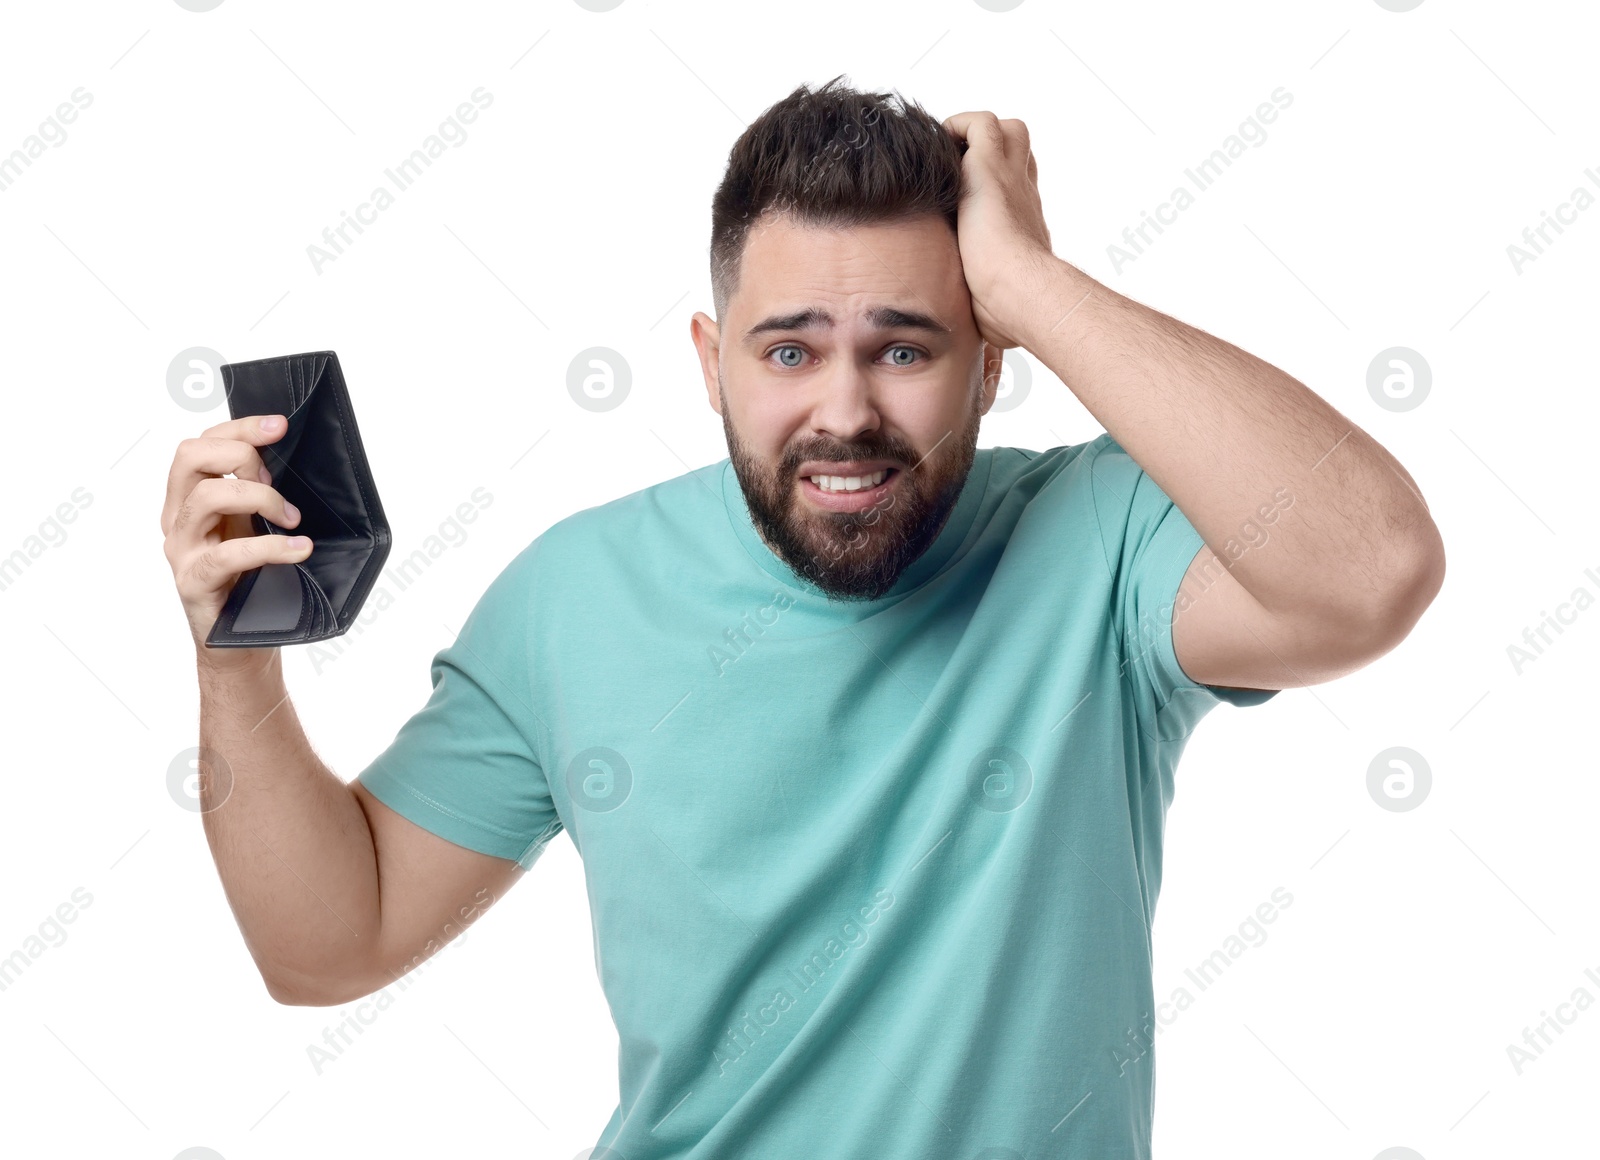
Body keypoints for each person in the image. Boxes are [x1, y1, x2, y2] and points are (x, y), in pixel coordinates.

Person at [160, 76, 1445, 1159]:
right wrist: (236, 658)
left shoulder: (1100, 540)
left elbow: (1368, 568)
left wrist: (1036, 282)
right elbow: (329, 944)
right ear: (709, 360)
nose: (843, 412)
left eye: (904, 347)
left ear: (993, 359)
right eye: (787, 350)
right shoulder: (574, 596)